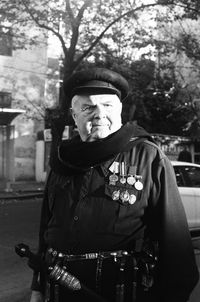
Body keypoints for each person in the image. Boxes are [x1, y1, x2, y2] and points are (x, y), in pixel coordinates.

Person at [30, 67, 199, 302]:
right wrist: (37, 287)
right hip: (60, 290)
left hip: (120, 291)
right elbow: (45, 229)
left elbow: (176, 245)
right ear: (74, 114)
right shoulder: (62, 159)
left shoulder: (147, 157)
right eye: (88, 107)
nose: (99, 114)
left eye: (107, 105)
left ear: (120, 110)